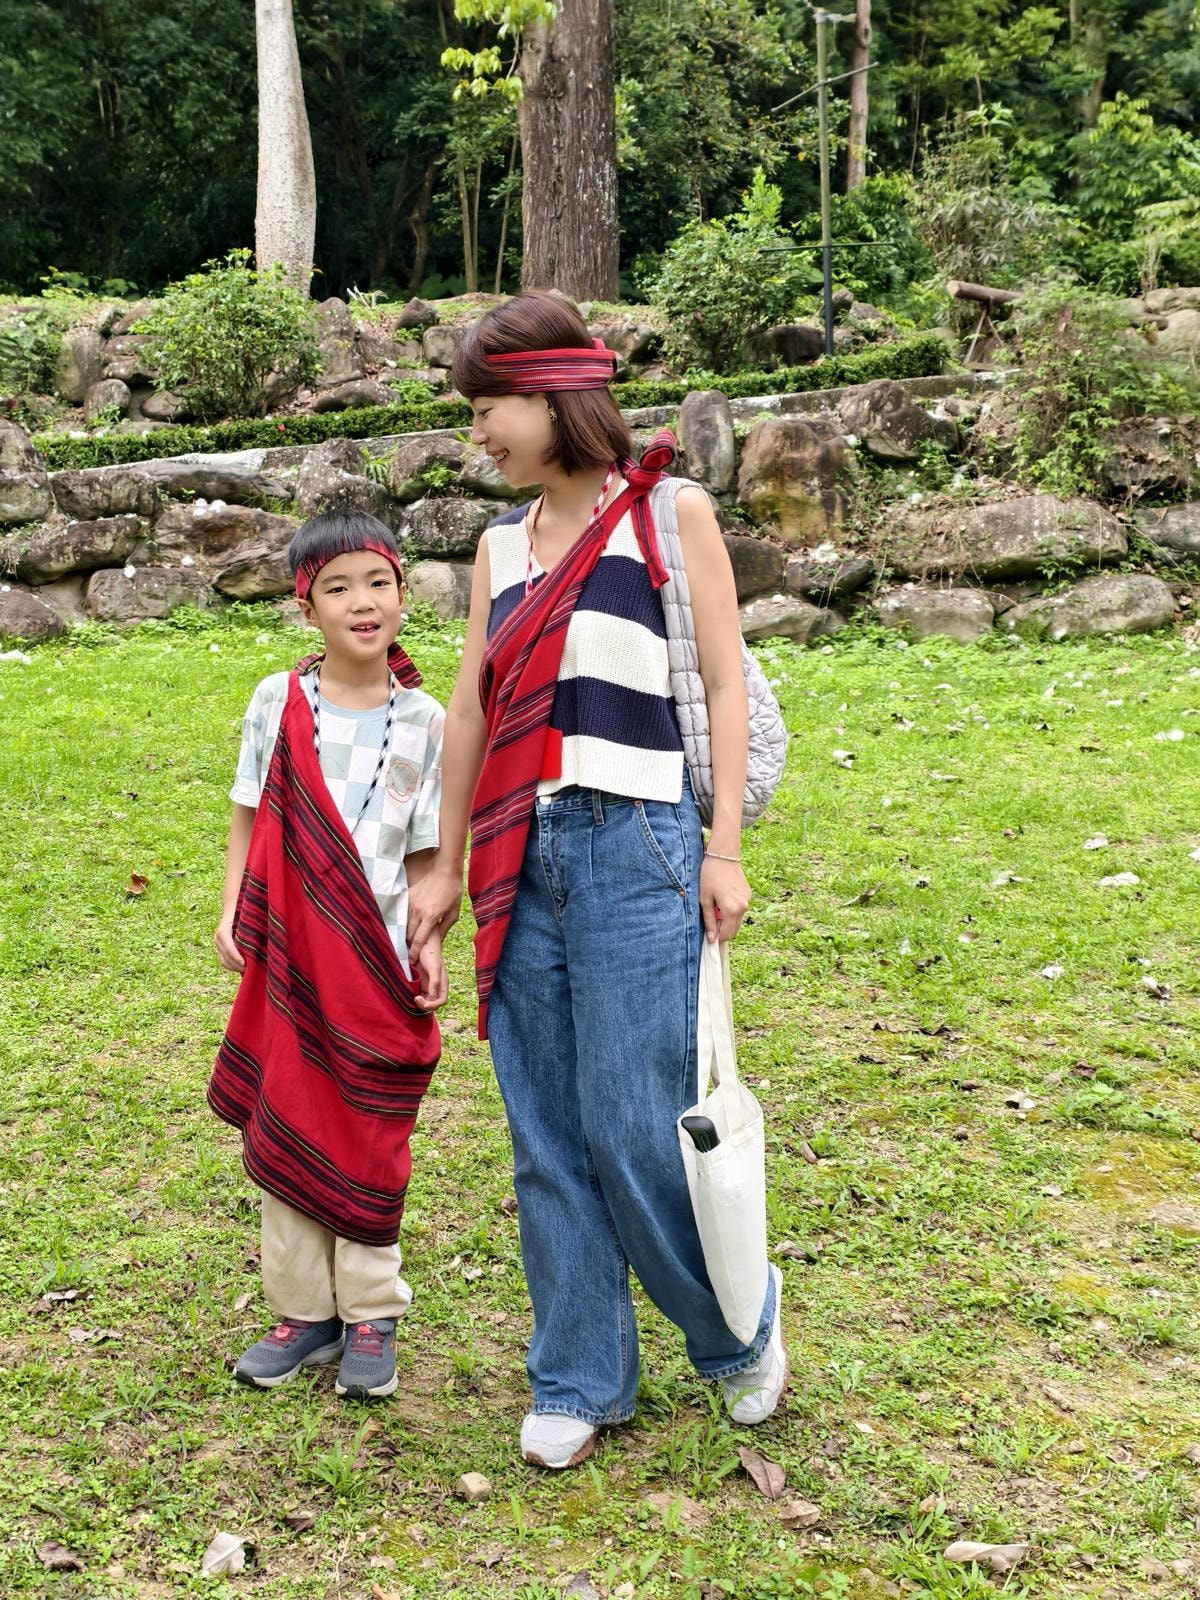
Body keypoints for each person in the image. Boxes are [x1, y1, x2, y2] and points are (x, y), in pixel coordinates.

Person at [407, 292, 787, 1469]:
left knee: (633, 1122)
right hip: (521, 852)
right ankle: (578, 1372)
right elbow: (471, 706)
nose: (478, 430)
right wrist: (442, 861)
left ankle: (737, 1332)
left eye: (491, 405)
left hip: (643, 840)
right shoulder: (497, 547)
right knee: (546, 1130)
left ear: (559, 394)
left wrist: (722, 848)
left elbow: (723, 686)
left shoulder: (671, 513)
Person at [209, 511, 446, 1401]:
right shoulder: (278, 701)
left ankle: (372, 1313)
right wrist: (234, 903)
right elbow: (245, 810)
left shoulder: (424, 719)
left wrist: (427, 941)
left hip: (375, 963)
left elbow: (426, 855)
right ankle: (304, 1312)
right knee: (289, 1107)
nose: (361, 603)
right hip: (286, 951)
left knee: (370, 1131)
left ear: (401, 594)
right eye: (337, 587)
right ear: (305, 605)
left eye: (377, 583)